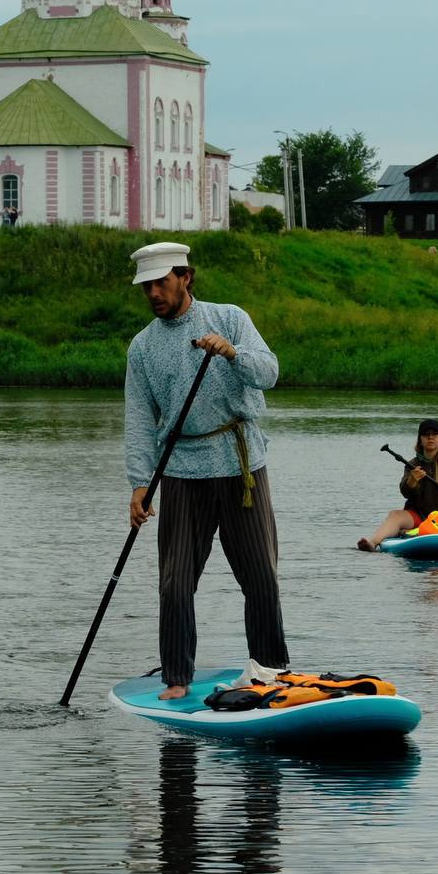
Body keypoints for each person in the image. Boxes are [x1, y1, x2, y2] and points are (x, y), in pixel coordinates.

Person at [124, 242, 288, 700]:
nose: (154, 293)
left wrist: (233, 353)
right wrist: (140, 484)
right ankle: (177, 677)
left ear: (186, 278)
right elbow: (139, 421)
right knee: (175, 583)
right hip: (181, 470)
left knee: (260, 576)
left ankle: (269, 671)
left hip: (241, 467)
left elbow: (270, 371)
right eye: (146, 287)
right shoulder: (142, 347)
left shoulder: (230, 318)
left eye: (162, 282)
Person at [357, 419, 438, 550]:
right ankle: (372, 542)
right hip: (420, 516)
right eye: (425, 434)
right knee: (395, 515)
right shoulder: (411, 464)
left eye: (434, 434)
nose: (430, 437)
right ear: (420, 440)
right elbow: (405, 492)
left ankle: (424, 529)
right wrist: (413, 480)